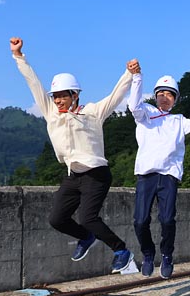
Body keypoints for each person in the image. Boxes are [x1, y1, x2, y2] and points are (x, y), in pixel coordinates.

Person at [9, 37, 135, 273]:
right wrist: (18, 56)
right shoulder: (51, 113)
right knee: (57, 219)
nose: (57, 101)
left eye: (62, 96)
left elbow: (115, 95)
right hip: (73, 175)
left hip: (96, 174)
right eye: (55, 96)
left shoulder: (92, 112)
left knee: (89, 217)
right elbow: (33, 84)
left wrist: (128, 74)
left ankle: (122, 252)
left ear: (75, 95)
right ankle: (86, 238)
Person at [128, 72, 190, 278]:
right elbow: (133, 106)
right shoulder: (146, 113)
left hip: (169, 176)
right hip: (146, 175)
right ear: (155, 96)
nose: (164, 96)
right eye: (160, 93)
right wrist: (137, 77)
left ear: (175, 99)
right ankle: (148, 254)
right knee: (140, 220)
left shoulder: (179, 120)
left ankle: (166, 255)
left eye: (169, 94)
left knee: (167, 220)